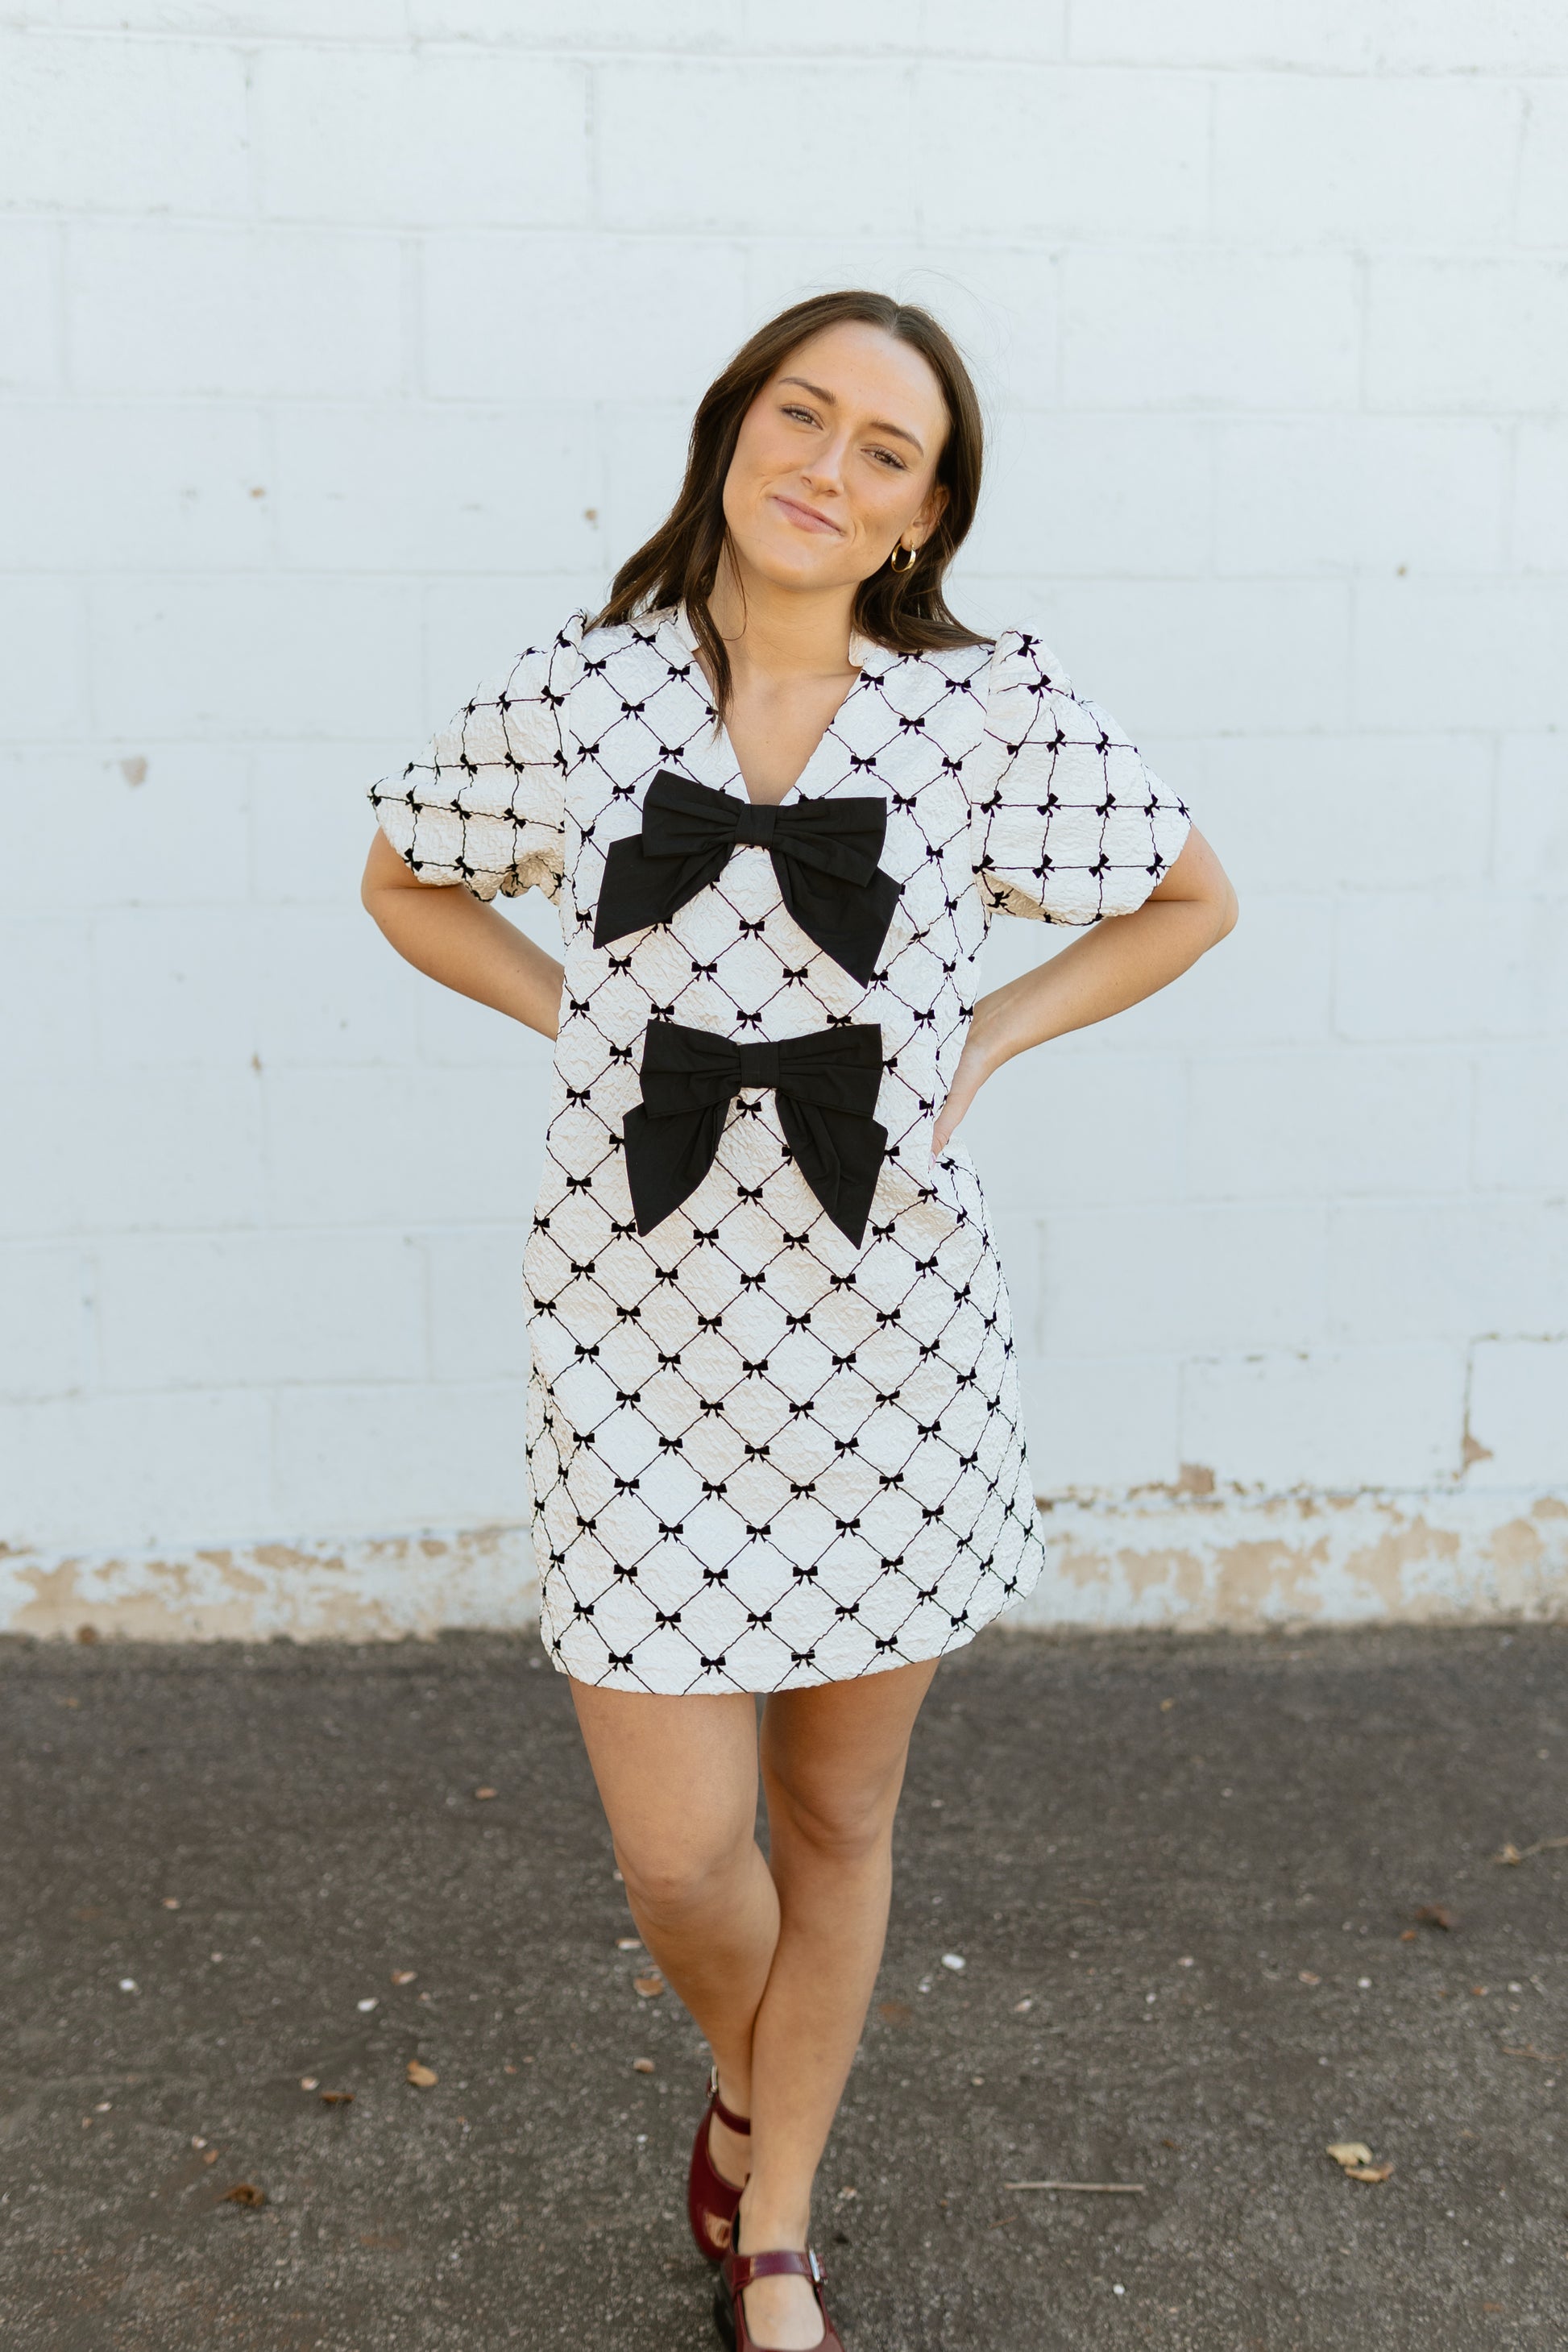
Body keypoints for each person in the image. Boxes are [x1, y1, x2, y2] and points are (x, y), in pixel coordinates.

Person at [362, 289, 1237, 2352]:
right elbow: (405, 873)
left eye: (885, 451)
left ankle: (778, 2218)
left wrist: (994, 1035)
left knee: (838, 1814)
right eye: (800, 414)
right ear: (731, 430)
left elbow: (1187, 894)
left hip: (890, 1343)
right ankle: (756, 2071)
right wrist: (572, 1010)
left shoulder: (991, 707)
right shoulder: (583, 694)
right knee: (684, 1855)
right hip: (633, 1332)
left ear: (924, 518)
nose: (826, 468)